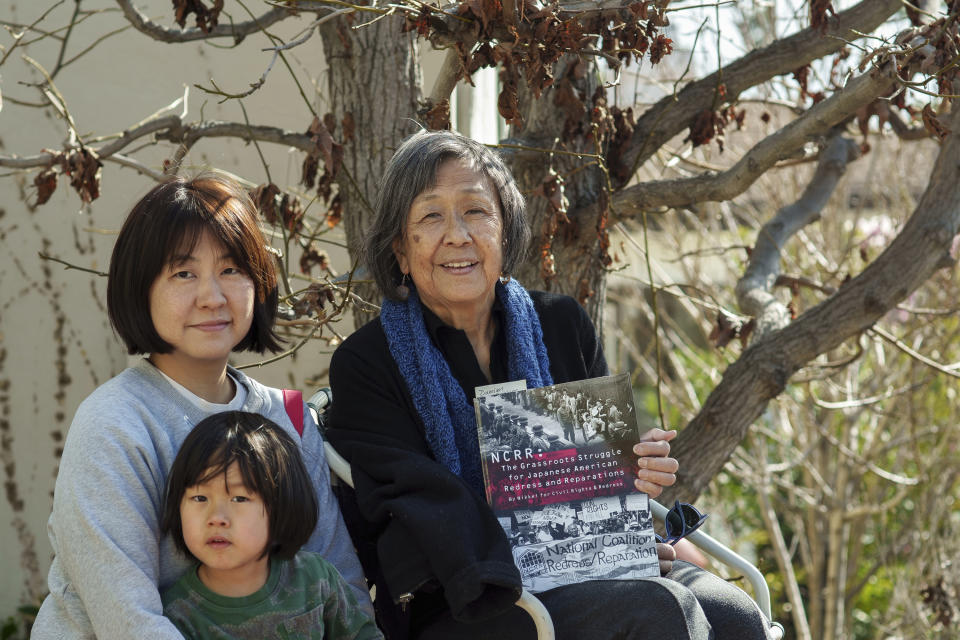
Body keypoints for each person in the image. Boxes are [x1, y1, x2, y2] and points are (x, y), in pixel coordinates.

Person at [326, 130, 771, 639]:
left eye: (476, 211)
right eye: (430, 216)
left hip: (595, 566)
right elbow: (419, 505)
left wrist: (627, 474)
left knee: (735, 615)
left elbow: (602, 481)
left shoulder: (562, 323)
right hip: (470, 596)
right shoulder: (367, 363)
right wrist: (550, 551)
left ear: (506, 232)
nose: (457, 234)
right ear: (401, 251)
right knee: (659, 609)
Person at [32, 173, 371, 638]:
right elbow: (129, 621)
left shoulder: (288, 417)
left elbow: (343, 588)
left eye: (231, 270)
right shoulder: (114, 423)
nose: (212, 297)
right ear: (141, 287)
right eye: (183, 273)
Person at [160, 411, 382, 639]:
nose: (216, 517)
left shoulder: (313, 578)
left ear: (280, 506)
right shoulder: (175, 616)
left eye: (239, 498)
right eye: (200, 498)